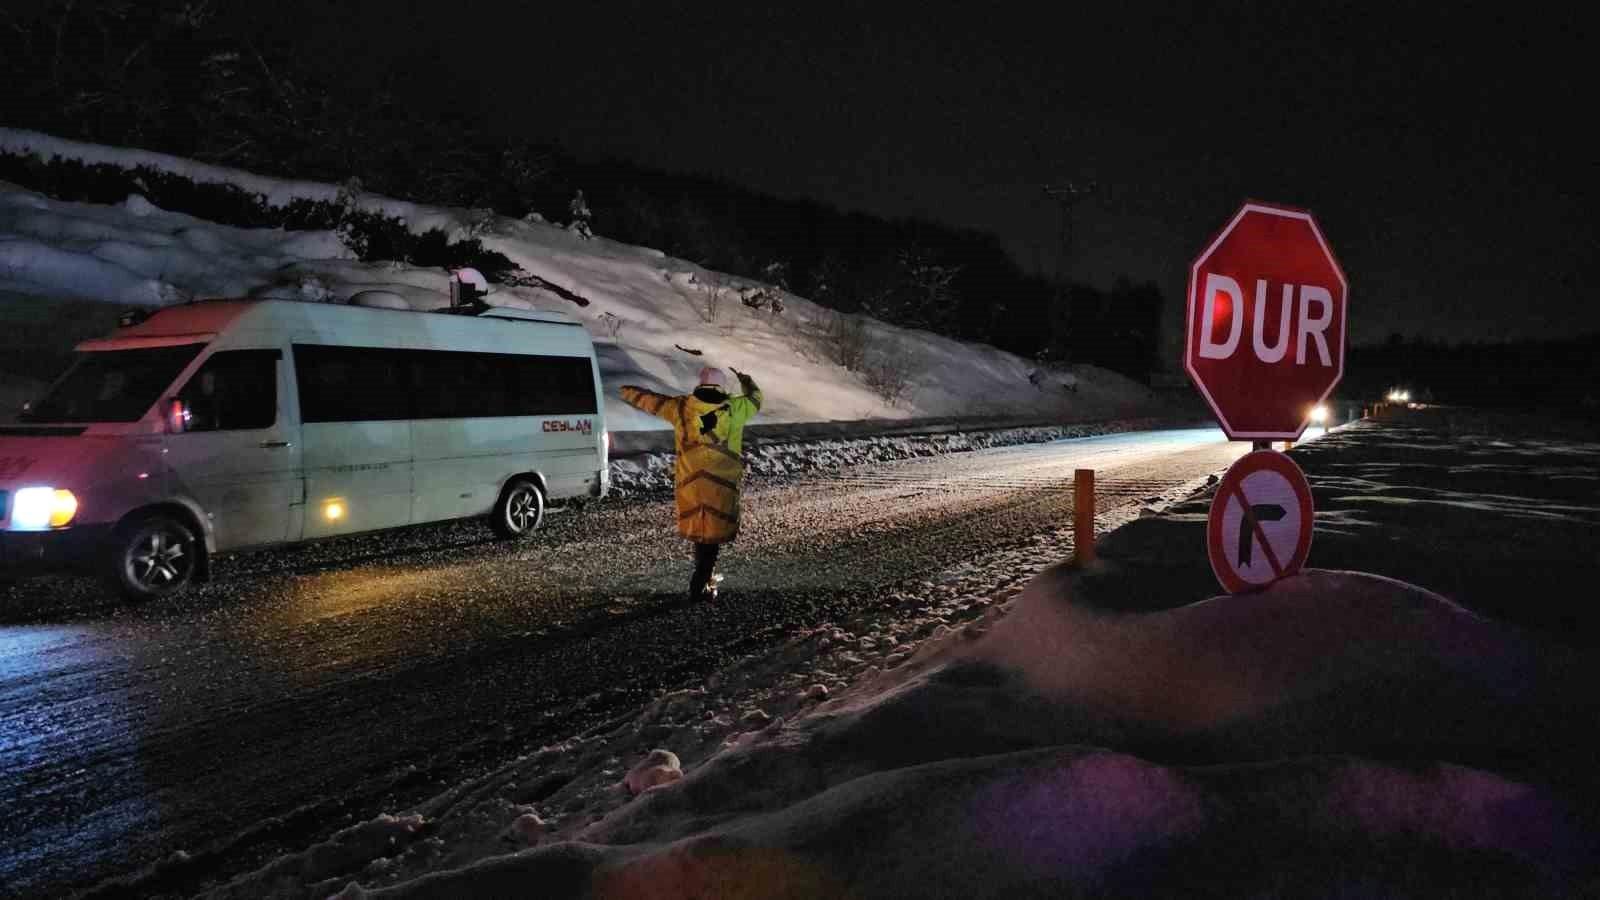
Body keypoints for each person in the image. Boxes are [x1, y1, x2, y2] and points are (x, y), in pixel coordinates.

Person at [620, 366, 763, 600]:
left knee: (700, 533)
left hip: (691, 485)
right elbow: (756, 399)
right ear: (721, 386)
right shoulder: (736, 409)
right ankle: (702, 583)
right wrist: (746, 380)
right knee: (712, 539)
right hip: (722, 486)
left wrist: (626, 391)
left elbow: (652, 402)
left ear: (700, 384)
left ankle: (703, 578)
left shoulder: (681, 407)